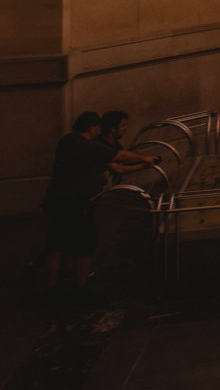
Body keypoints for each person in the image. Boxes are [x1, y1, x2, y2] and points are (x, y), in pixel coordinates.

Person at [41, 111, 159, 304]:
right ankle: (80, 289)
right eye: (96, 128)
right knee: (84, 245)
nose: (98, 131)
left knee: (55, 245)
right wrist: (145, 159)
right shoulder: (88, 146)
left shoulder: (66, 141)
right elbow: (121, 156)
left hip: (55, 200)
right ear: (91, 128)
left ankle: (50, 290)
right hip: (77, 203)